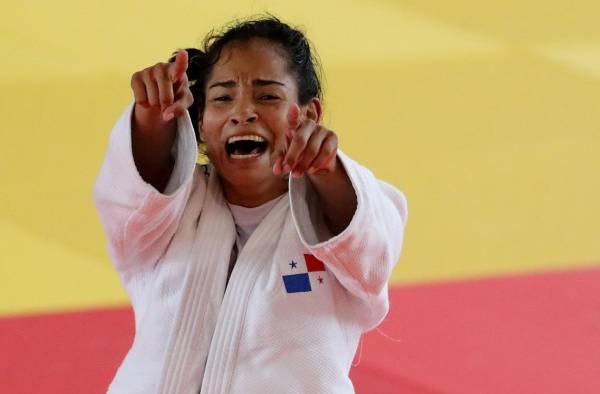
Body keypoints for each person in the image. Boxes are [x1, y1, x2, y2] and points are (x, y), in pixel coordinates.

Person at [93, 15, 408, 394]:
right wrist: (150, 114)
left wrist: (328, 172)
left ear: (309, 116)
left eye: (268, 95)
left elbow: (373, 247)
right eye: (223, 98)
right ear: (202, 125)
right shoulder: (165, 219)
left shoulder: (338, 216)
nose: (243, 111)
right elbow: (128, 197)